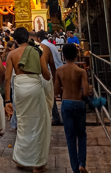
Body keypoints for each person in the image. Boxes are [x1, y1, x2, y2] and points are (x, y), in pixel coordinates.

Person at [5, 27, 51, 173]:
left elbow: (7, 79)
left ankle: (22, 159)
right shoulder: (37, 52)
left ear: (15, 40)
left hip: (20, 89)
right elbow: (47, 76)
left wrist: (7, 101)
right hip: (35, 88)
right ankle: (37, 164)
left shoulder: (11, 54)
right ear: (28, 38)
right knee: (38, 124)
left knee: (23, 124)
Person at [54, 44, 89, 173]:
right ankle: (82, 163)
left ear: (63, 55)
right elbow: (86, 92)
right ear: (76, 55)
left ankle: (75, 169)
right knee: (82, 134)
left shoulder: (60, 71)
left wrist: (65, 88)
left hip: (66, 103)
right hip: (79, 103)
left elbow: (56, 91)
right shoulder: (81, 71)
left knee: (70, 138)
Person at [37, 30, 62, 125]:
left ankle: (54, 116)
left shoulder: (42, 47)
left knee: (50, 96)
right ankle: (58, 116)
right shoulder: (50, 45)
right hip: (54, 70)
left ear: (38, 39)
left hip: (47, 73)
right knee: (52, 96)